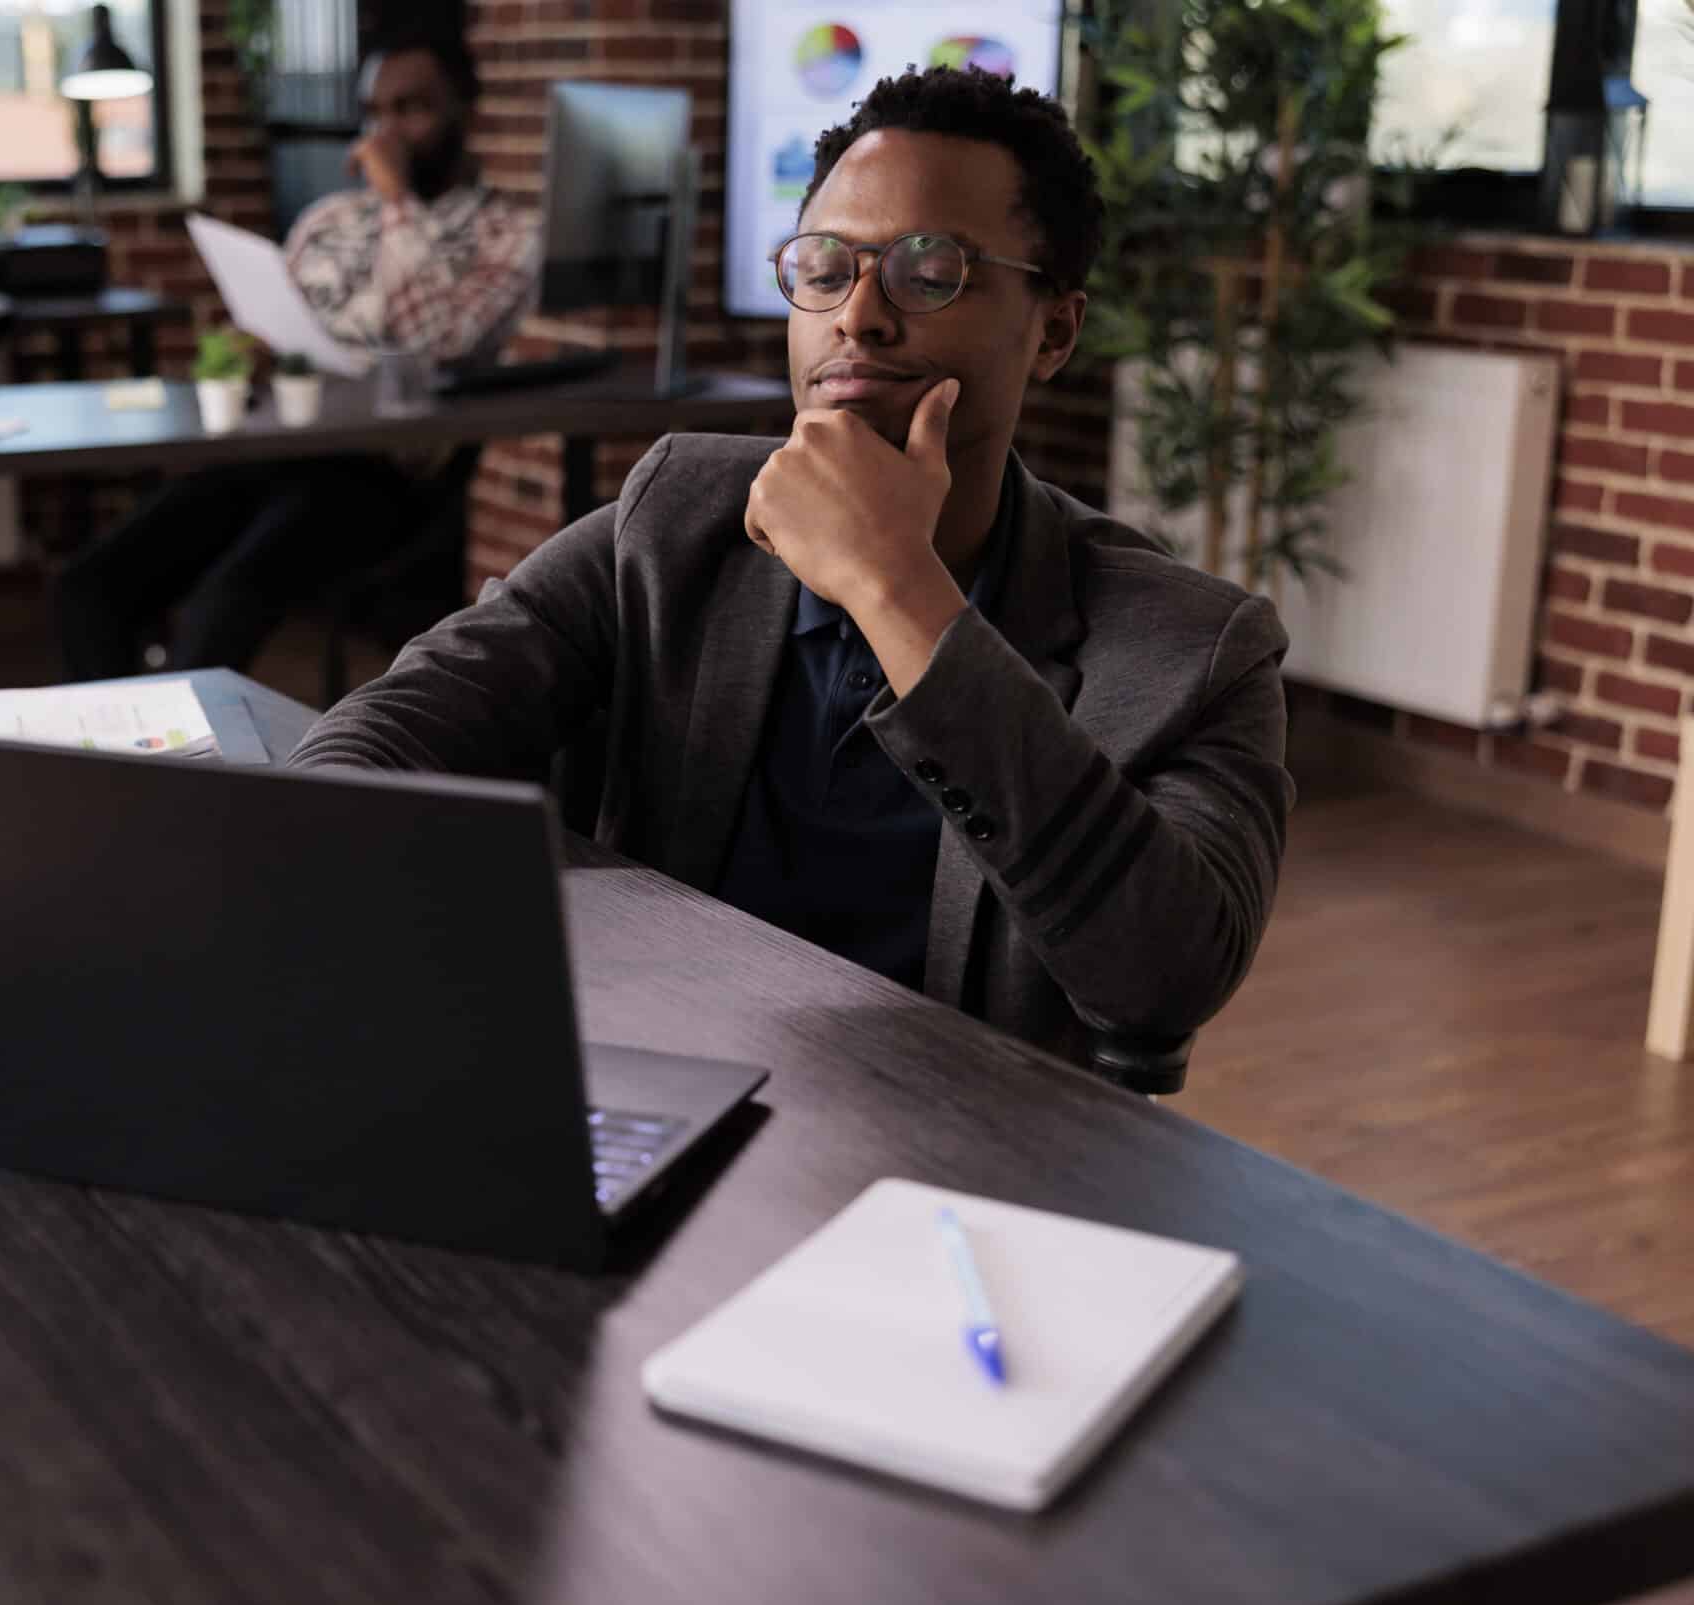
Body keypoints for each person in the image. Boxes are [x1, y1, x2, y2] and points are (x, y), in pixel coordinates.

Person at [289, 66, 1294, 1076]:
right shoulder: (679, 513)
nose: (857, 316)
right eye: (824, 268)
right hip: (660, 1089)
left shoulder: (1190, 650)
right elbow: (398, 725)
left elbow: (1165, 974)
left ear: (1055, 331)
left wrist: (894, 587)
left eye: (927, 269)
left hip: (960, 1167)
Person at [52, 27, 539, 682]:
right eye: (374, 113)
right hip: (273, 446)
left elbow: (433, 341)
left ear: (465, 112)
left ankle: (181, 776)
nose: (386, 132)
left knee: (216, 606)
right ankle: (108, 765)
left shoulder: (505, 234)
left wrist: (396, 200)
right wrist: (251, 347)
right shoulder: (328, 220)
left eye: (412, 109)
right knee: (90, 586)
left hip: (379, 472)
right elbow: (277, 328)